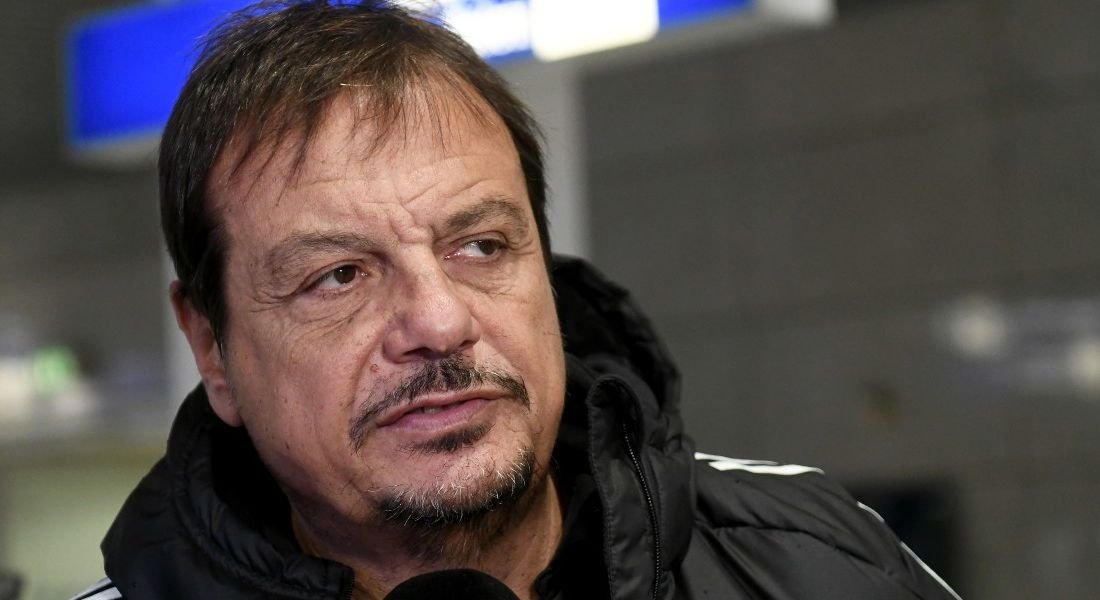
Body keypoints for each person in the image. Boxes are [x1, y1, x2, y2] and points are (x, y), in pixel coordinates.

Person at [73, 1, 961, 599]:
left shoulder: (815, 560)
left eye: (481, 247)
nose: (440, 321)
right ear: (213, 348)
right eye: (339, 275)